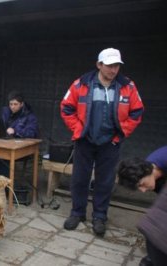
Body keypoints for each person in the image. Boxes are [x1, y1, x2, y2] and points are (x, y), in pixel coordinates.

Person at [60, 48, 144, 236]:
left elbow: (137, 112)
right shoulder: (81, 84)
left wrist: (121, 134)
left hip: (110, 143)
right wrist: (78, 130)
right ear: (99, 65)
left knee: (104, 182)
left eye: (117, 66)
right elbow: (66, 108)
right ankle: (77, 213)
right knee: (80, 179)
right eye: (109, 65)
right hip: (85, 141)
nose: (113, 70)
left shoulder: (128, 86)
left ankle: (99, 217)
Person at [117, 146, 167, 266]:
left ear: (146, 171)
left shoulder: (163, 158)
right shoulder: (152, 172)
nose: (143, 191)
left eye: (142, 184)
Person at [0, 91, 39, 176]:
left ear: (22, 104)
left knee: (1, 156)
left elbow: (31, 133)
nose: (12, 107)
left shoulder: (30, 117)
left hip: (21, 149)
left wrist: (16, 131)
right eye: (11, 104)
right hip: (4, 144)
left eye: (15, 104)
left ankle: (5, 185)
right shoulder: (6, 113)